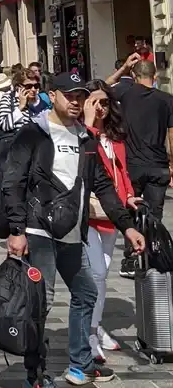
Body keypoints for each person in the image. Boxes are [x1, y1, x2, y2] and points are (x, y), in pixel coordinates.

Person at [4, 71, 146, 388]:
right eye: (69, 95)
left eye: (80, 96)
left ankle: (80, 365)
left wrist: (126, 225)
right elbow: (13, 182)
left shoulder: (85, 137)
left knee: (85, 292)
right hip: (39, 232)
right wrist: (17, 230)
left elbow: (102, 187)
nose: (75, 101)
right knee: (42, 302)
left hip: (71, 232)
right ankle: (35, 376)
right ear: (52, 95)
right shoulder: (34, 133)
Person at [84, 81, 139, 362]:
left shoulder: (115, 136)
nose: (100, 108)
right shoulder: (84, 135)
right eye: (94, 101)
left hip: (113, 214)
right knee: (98, 274)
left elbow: (123, 170)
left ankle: (96, 325)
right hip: (89, 214)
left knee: (102, 273)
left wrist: (129, 195)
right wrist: (89, 122)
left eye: (104, 103)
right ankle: (91, 332)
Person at [107, 57, 173, 228]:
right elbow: (172, 135)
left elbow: (101, 88)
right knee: (155, 216)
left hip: (132, 165)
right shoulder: (167, 99)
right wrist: (172, 164)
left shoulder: (126, 92)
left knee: (129, 210)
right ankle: (153, 249)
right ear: (155, 77)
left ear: (134, 76)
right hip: (158, 165)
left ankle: (133, 249)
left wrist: (123, 68)